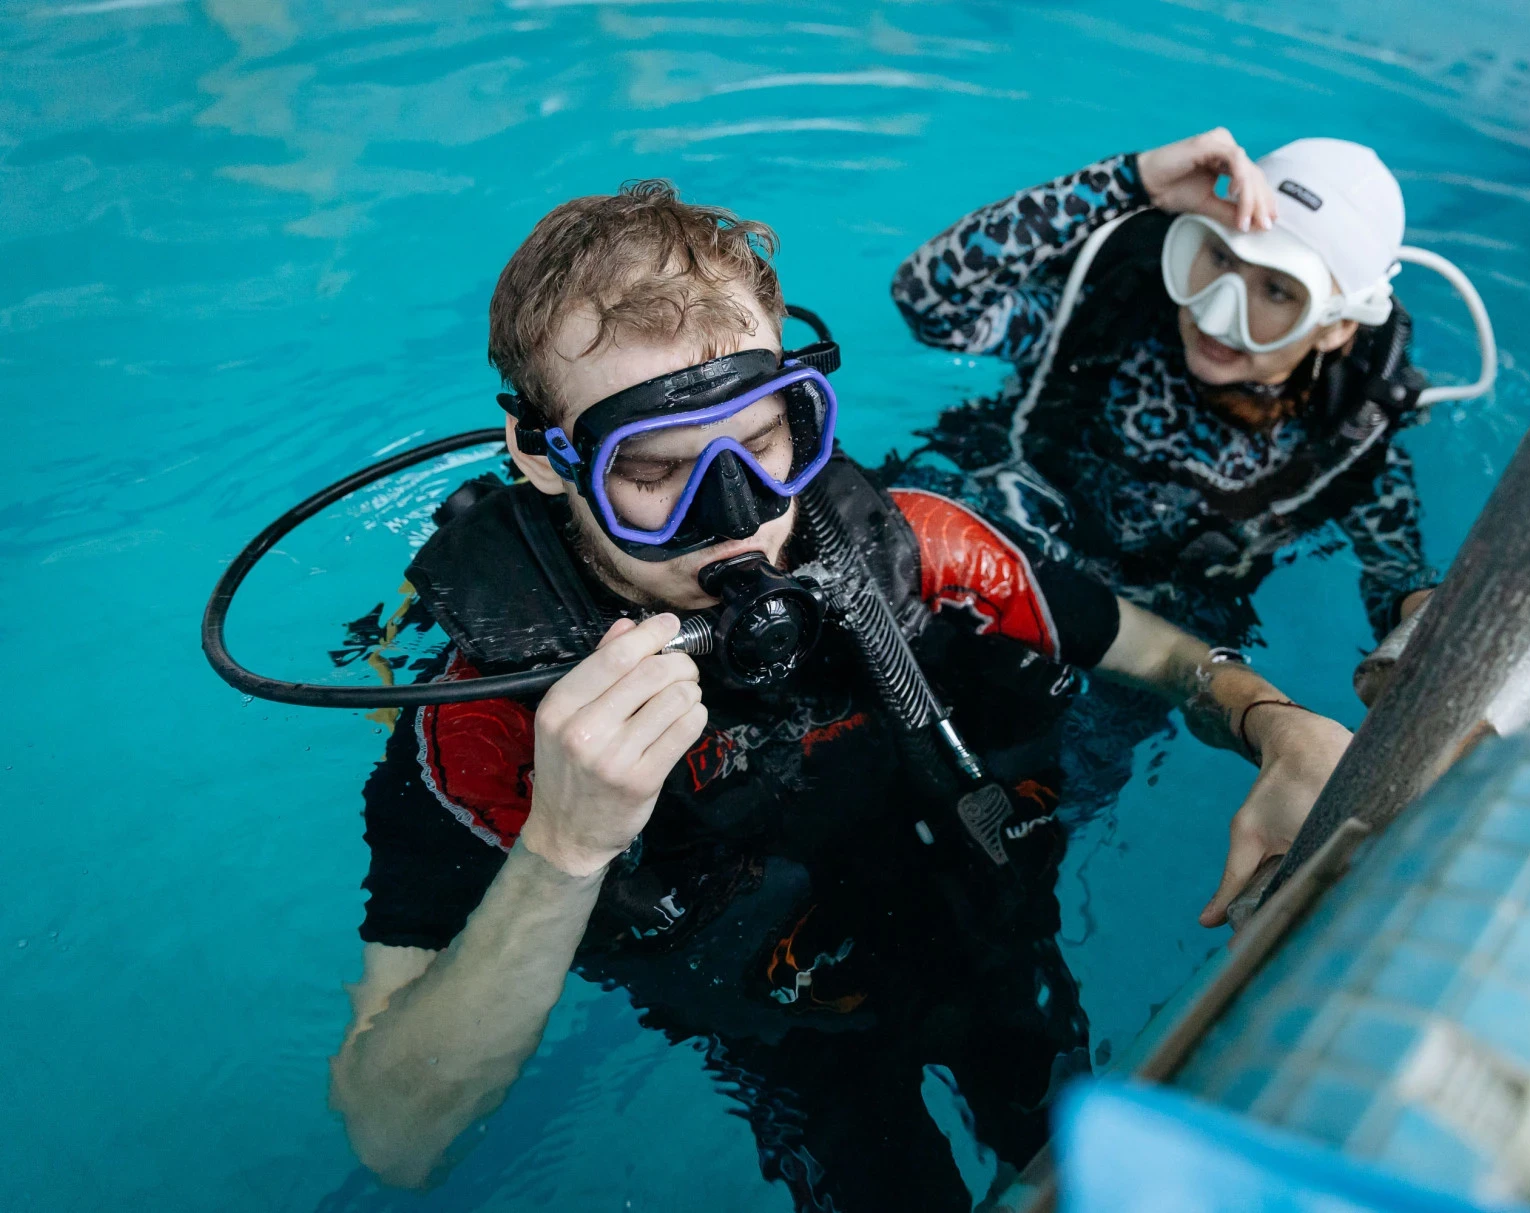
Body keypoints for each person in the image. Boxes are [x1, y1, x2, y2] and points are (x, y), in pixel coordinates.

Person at [328, 182, 1354, 1211]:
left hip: (988, 938)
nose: (734, 522)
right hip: (787, 1033)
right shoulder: (484, 727)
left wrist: (1275, 723)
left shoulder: (912, 550)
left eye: (763, 441)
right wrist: (562, 850)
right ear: (543, 458)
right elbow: (395, 1139)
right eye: (653, 470)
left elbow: (1163, 655)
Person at [888, 128, 1464, 657]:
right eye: (1218, 256)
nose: (1217, 313)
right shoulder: (1110, 319)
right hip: (967, 538)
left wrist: (1433, 626)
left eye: (1277, 291)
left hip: (1130, 640)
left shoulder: (1347, 435)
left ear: (1339, 322)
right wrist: (1128, 180)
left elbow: (1395, 575)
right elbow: (928, 301)